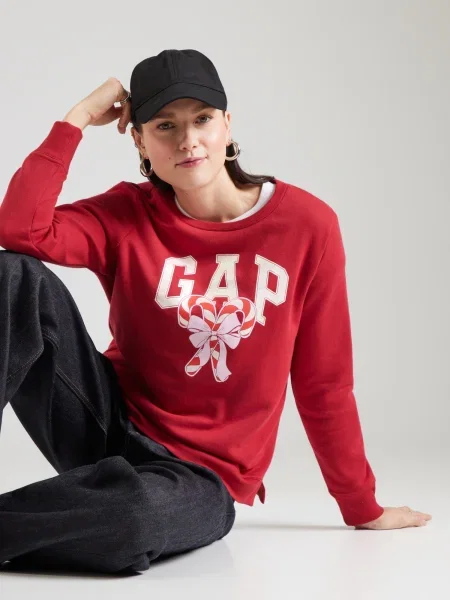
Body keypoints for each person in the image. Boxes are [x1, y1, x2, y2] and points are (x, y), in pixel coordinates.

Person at [0, 48, 431, 575]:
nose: (187, 140)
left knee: (134, 519)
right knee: (11, 277)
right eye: (165, 126)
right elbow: (19, 231)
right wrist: (78, 118)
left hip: (200, 478)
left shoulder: (307, 226)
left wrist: (360, 506)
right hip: (103, 423)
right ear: (139, 141)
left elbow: (324, 382)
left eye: (202, 119)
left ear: (227, 124)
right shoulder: (127, 213)